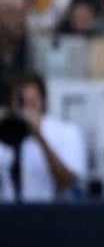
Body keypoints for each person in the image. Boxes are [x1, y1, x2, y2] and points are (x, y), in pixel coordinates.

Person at [10, 71, 88, 202]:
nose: (26, 110)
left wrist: (40, 138)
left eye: (32, 102)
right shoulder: (7, 133)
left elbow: (67, 181)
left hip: (49, 214)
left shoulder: (66, 132)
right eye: (22, 104)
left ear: (43, 101)